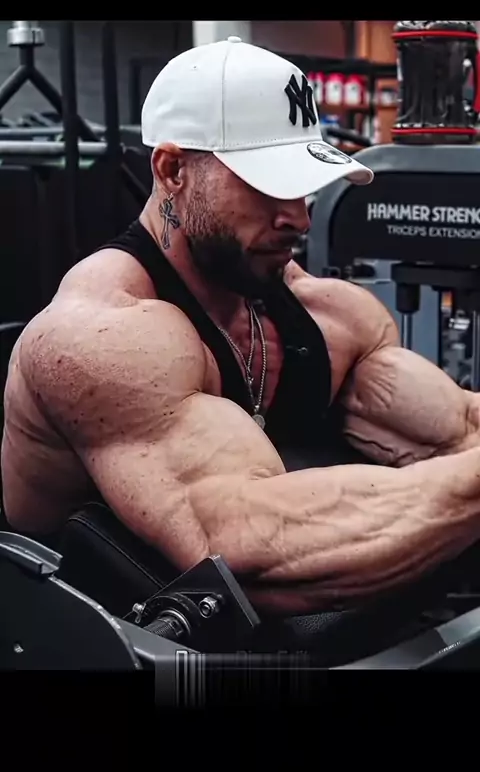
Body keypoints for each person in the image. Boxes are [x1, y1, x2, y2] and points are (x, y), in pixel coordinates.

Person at [2, 36, 480, 617]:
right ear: (173, 170)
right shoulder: (100, 336)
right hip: (81, 634)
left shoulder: (330, 314)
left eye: (302, 183)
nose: (298, 217)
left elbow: (459, 431)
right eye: (266, 184)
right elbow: (234, 554)